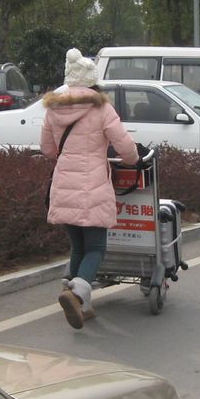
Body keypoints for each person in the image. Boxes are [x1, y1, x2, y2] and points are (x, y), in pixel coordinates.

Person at [40, 48, 138, 329]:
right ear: (92, 80)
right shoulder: (101, 108)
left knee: (78, 246)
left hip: (64, 184)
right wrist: (132, 160)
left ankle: (81, 303)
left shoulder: (53, 109)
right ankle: (76, 292)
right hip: (92, 185)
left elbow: (47, 149)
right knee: (96, 247)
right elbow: (125, 146)